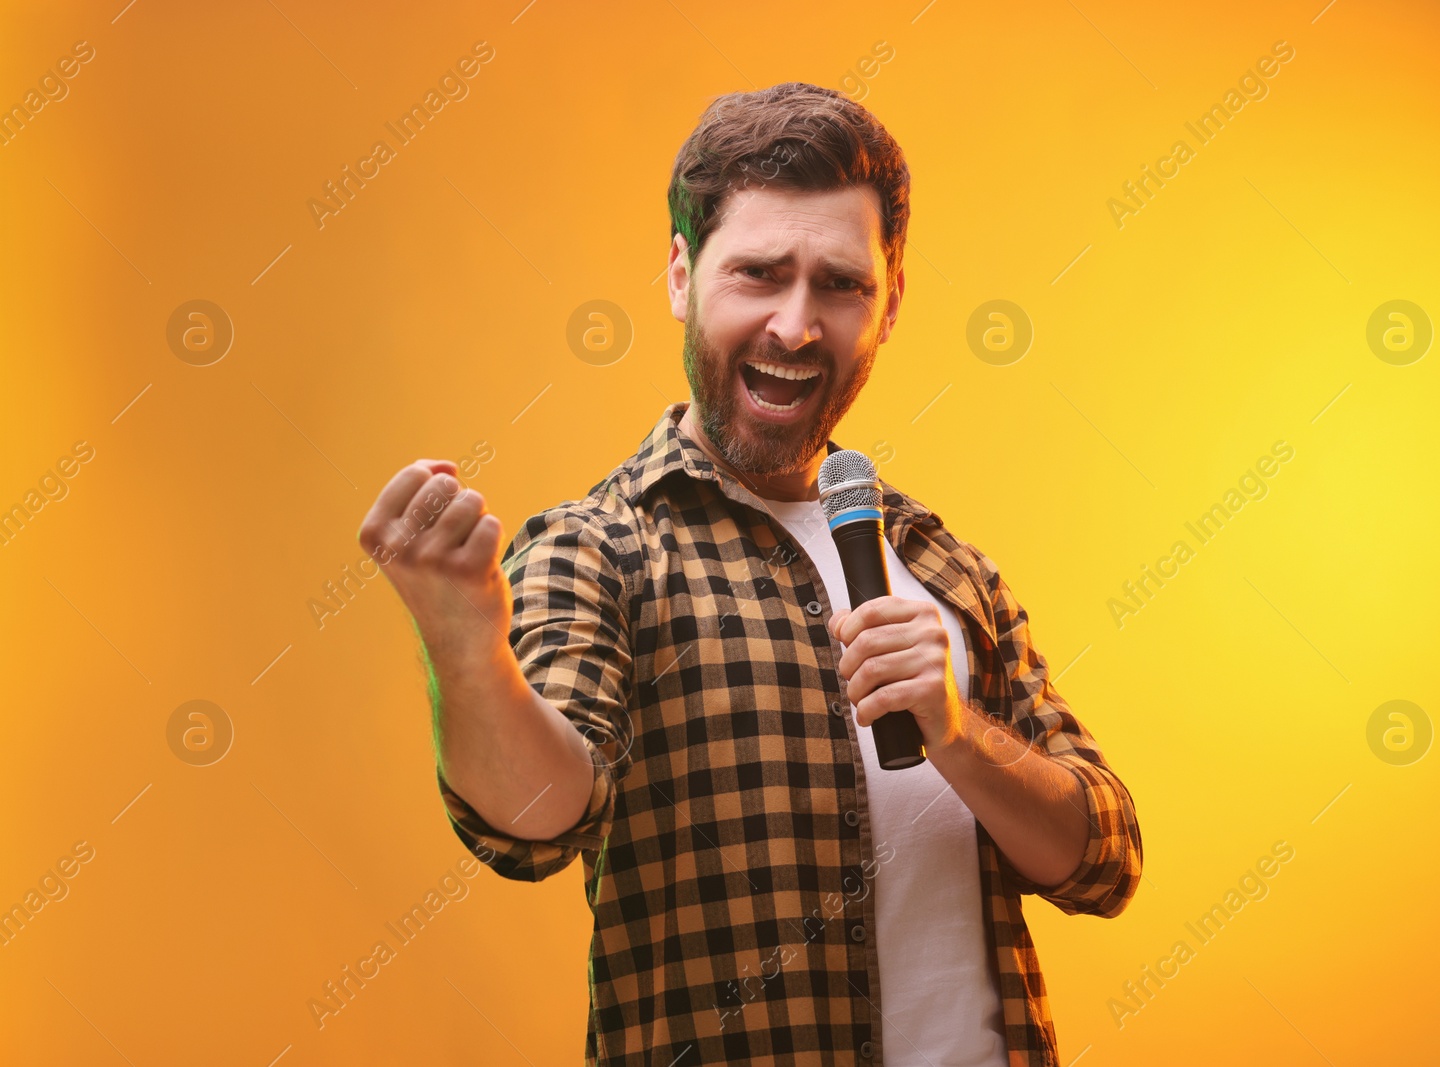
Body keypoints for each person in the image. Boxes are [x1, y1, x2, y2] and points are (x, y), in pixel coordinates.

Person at [359, 81, 1141, 1067]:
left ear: (890, 303)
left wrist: (956, 731)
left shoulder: (943, 564)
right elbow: (531, 825)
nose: (796, 325)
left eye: (840, 285)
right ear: (683, 276)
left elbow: (1103, 856)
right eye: (759, 274)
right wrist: (464, 646)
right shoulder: (598, 547)